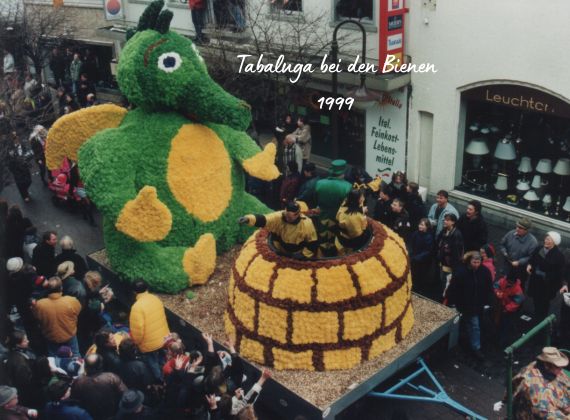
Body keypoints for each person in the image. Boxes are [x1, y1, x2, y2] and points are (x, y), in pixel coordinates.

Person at [447, 251, 493, 360]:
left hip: (477, 304)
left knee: (473, 324)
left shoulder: (484, 271)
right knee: (475, 325)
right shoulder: (461, 272)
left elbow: (488, 287)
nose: (476, 265)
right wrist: (453, 302)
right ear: (469, 261)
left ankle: (470, 342)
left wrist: (488, 301)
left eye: (478, 262)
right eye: (474, 262)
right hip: (465, 304)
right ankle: (475, 347)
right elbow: (453, 288)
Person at [238, 201, 318, 258]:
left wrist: (303, 255)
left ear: (298, 214)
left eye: (289, 217)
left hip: (297, 253)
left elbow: (312, 242)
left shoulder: (307, 224)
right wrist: (249, 219)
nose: (286, 218)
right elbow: (265, 219)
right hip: (280, 249)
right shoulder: (280, 216)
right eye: (286, 215)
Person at [510, 347, 570, 418]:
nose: (561, 369)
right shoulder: (537, 390)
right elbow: (549, 416)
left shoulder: (542, 367)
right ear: (547, 365)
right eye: (558, 366)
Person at [129, 280, 171, 382]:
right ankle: (168, 374)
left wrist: (137, 343)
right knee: (163, 357)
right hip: (163, 337)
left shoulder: (137, 307)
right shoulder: (155, 299)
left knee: (153, 362)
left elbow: (138, 331)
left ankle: (161, 380)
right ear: (147, 288)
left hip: (149, 344)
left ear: (134, 292)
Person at [32, 276, 82, 356]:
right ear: (61, 288)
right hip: (69, 335)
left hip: (51, 338)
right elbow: (78, 311)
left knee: (54, 359)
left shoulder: (39, 304)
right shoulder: (71, 301)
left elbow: (37, 317)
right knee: (75, 355)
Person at [314, 160, 353, 256]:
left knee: (322, 238)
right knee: (336, 240)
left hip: (322, 217)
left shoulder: (319, 183)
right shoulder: (348, 187)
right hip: (338, 219)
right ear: (343, 173)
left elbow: (315, 200)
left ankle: (320, 257)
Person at [71, 353, 127, 419]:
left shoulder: (78, 382)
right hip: (113, 415)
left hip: (92, 416)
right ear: (100, 365)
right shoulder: (111, 377)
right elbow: (125, 394)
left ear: (85, 366)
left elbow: (75, 401)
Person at [527, 231, 565, 322]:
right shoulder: (539, 248)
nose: (546, 241)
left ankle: (541, 321)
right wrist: (529, 264)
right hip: (536, 282)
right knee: (536, 300)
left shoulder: (559, 256)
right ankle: (536, 318)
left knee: (544, 304)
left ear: (554, 242)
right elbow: (532, 259)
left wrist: (543, 274)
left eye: (549, 239)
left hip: (547, 286)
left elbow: (559, 274)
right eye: (546, 238)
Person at [499, 217, 538, 283]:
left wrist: (519, 262)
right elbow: (502, 244)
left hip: (520, 271)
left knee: (517, 290)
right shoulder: (511, 233)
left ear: (526, 230)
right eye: (517, 226)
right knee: (502, 285)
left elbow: (532, 257)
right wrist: (504, 252)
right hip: (506, 266)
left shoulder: (533, 242)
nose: (517, 229)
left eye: (520, 228)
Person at [494, 270, 524, 346]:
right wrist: (497, 292)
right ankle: (497, 336)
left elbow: (516, 302)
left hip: (509, 310)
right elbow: (496, 286)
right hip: (501, 306)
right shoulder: (503, 281)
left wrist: (507, 309)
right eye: (508, 281)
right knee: (498, 322)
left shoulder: (517, 289)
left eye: (511, 282)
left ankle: (503, 341)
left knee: (506, 325)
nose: (509, 283)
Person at [436, 213, 464, 297]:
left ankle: (445, 298)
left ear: (453, 222)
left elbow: (456, 253)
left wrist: (453, 266)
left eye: (447, 220)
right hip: (442, 261)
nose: (445, 221)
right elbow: (439, 241)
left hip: (449, 264)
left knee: (446, 281)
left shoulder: (456, 234)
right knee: (442, 279)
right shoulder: (444, 230)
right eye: (444, 219)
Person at [335, 189, 369, 255]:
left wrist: (360, 210)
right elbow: (357, 235)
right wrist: (363, 218)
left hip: (340, 235)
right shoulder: (354, 217)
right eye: (361, 197)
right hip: (348, 243)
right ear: (357, 201)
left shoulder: (344, 203)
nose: (363, 198)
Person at [407, 218, 435, 295]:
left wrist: (417, 257)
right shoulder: (416, 233)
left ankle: (418, 290)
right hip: (414, 258)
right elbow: (411, 244)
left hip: (422, 262)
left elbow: (428, 251)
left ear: (427, 227)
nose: (420, 226)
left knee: (419, 276)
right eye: (420, 224)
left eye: (422, 225)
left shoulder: (429, 237)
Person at [7, 132, 33, 202]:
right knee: (20, 184)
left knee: (29, 181)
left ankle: (25, 190)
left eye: (17, 136)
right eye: (14, 138)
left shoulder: (22, 145)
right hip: (17, 170)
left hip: (24, 167)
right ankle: (24, 196)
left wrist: (28, 158)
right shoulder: (10, 149)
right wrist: (14, 170)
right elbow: (9, 161)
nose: (17, 138)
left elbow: (26, 153)